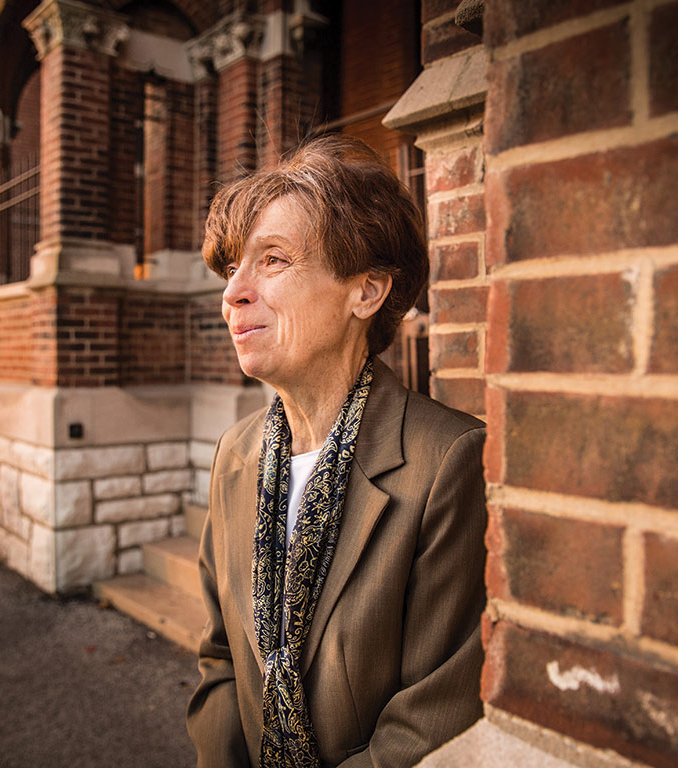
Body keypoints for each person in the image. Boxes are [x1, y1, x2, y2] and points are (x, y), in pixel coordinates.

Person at [186, 134, 487, 768]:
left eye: (272, 260)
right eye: (233, 266)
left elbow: (433, 717)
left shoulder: (447, 462)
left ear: (367, 292)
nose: (234, 291)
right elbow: (221, 660)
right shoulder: (235, 455)